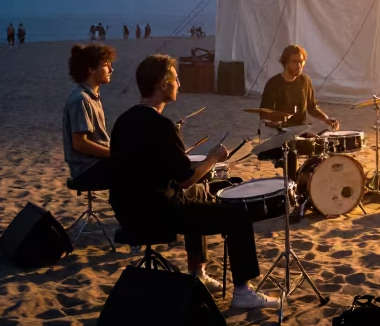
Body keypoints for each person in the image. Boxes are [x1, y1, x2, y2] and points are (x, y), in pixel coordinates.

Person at [109, 54, 280, 309]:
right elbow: (186, 179)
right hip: (157, 210)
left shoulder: (123, 121)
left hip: (126, 209)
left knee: (200, 193)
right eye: (175, 78)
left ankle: (197, 272)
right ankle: (243, 291)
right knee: (237, 217)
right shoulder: (162, 125)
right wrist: (212, 158)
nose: (179, 82)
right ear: (161, 84)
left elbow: (147, 167)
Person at [259, 45, 339, 179]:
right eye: (295, 62)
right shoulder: (273, 84)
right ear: (285, 62)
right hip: (279, 132)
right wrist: (279, 119)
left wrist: (326, 119)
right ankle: (291, 182)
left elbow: (312, 107)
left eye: (301, 61)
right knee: (291, 148)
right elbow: (264, 114)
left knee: (326, 144)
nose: (299, 65)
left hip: (300, 130)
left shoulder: (305, 81)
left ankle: (312, 181)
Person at [63, 44, 117, 190]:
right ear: (91, 69)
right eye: (106, 65)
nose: (111, 70)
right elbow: (80, 143)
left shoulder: (92, 97)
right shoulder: (81, 99)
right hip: (88, 170)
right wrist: (115, 153)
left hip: (98, 164)